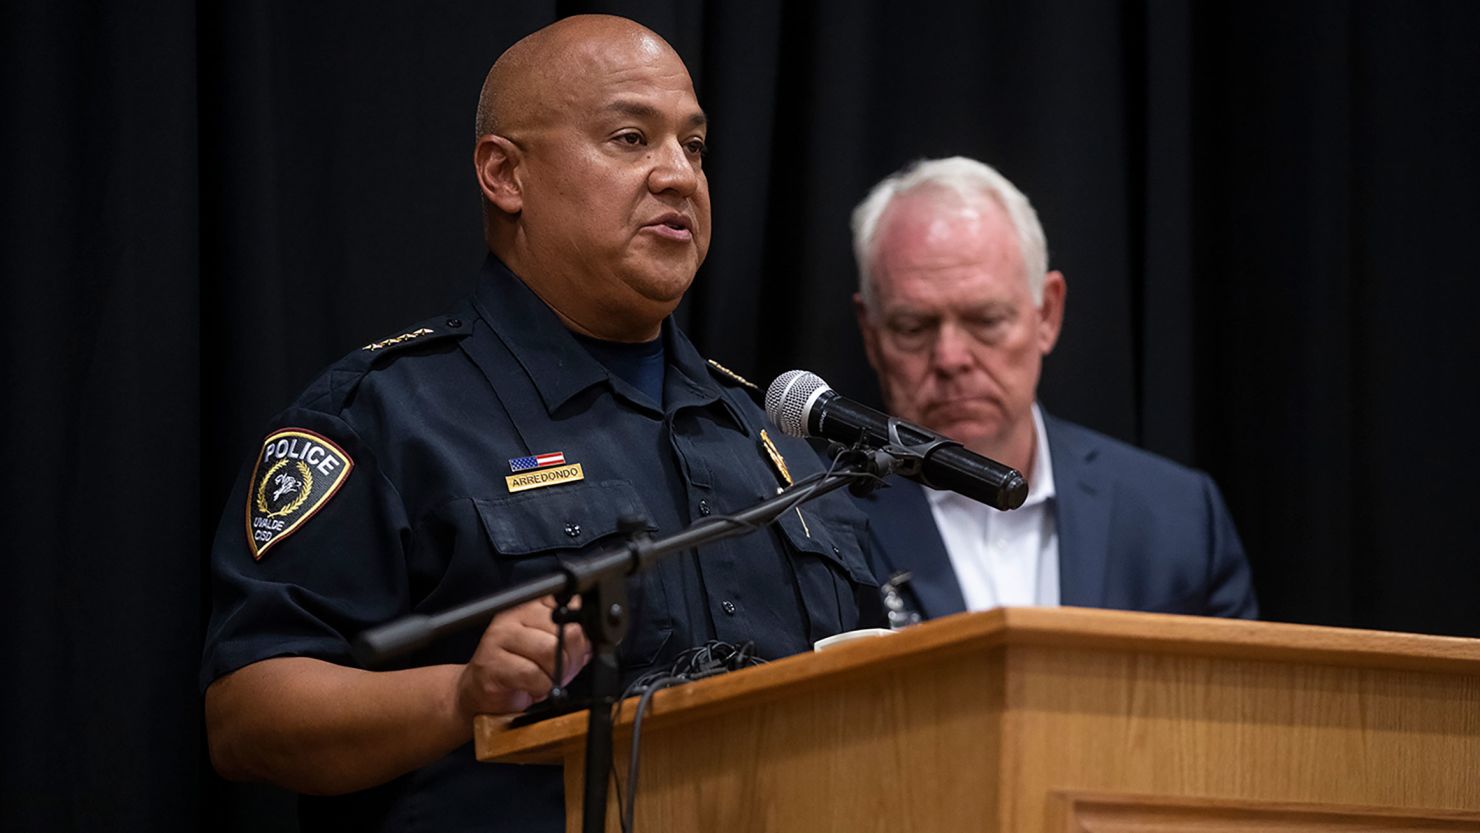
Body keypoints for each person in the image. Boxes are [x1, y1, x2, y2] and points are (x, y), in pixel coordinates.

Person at [200, 15, 878, 833]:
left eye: (694, 147)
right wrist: (459, 695)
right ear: (504, 173)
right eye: (631, 138)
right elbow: (248, 714)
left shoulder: (774, 440)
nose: (678, 176)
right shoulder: (388, 416)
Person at [850, 157, 1257, 620]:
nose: (950, 358)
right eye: (913, 327)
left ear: (1047, 314)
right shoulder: (815, 519)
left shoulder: (1177, 518)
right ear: (871, 333)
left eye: (986, 321)